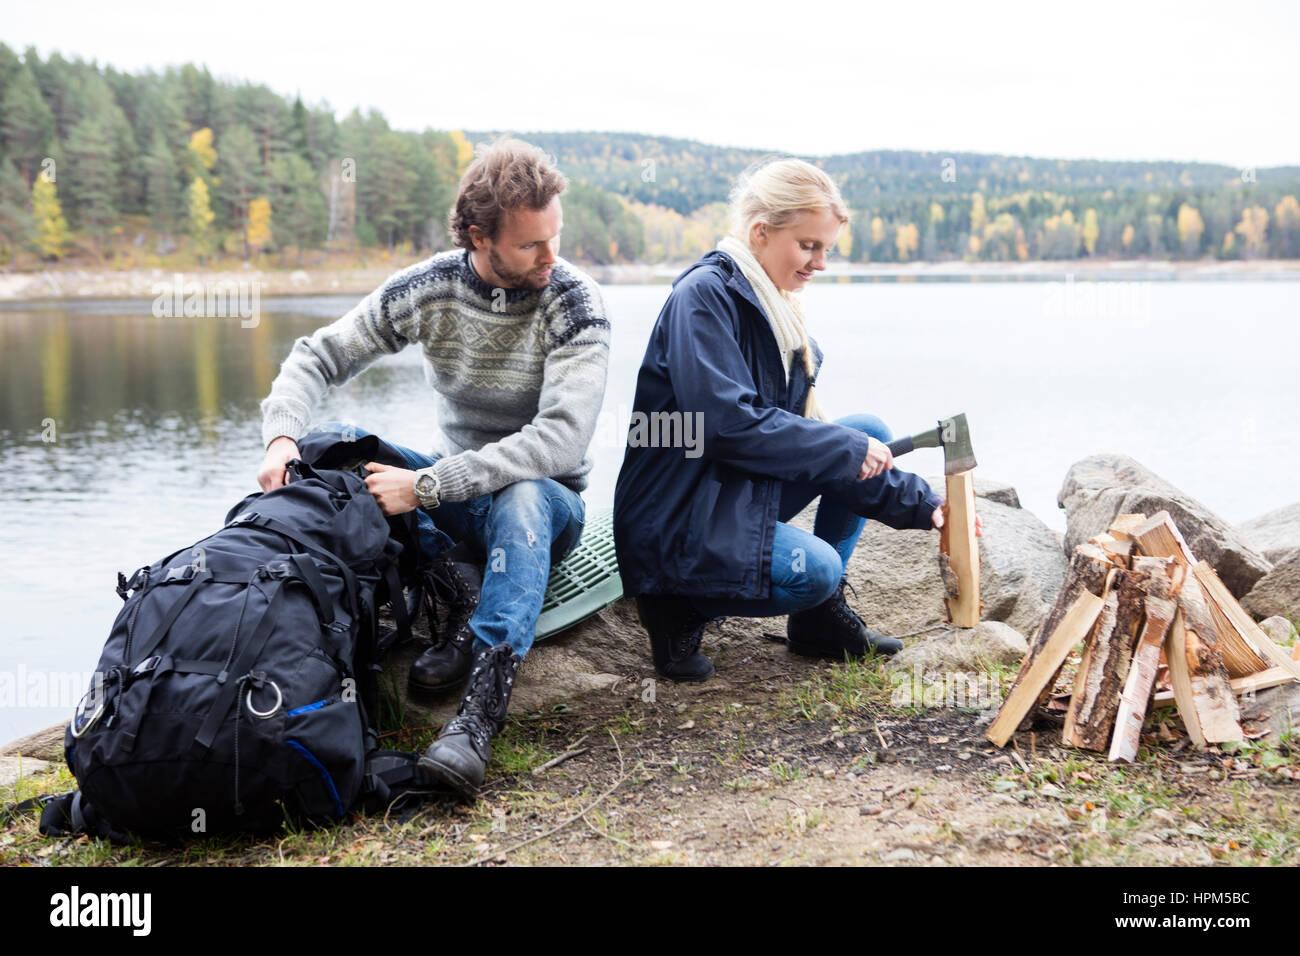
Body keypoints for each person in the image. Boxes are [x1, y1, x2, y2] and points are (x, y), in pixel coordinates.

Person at [256, 137, 610, 795]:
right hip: (455, 498)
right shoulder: (431, 287)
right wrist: (281, 439)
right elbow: (318, 355)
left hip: (545, 505)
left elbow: (559, 441)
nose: (552, 256)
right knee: (332, 445)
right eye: (532, 243)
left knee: (526, 496)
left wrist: (427, 486)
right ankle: (453, 589)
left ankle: (478, 714)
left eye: (556, 236)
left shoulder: (574, 300)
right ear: (480, 237)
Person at [613, 158, 980, 682]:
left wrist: (926, 505)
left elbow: (788, 439)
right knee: (819, 567)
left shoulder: (774, 306)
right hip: (680, 510)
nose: (820, 263)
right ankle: (677, 607)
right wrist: (843, 450)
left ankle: (815, 624)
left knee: (867, 430)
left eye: (826, 248)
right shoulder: (703, 298)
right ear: (761, 233)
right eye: (809, 246)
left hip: (730, 486)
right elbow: (728, 427)